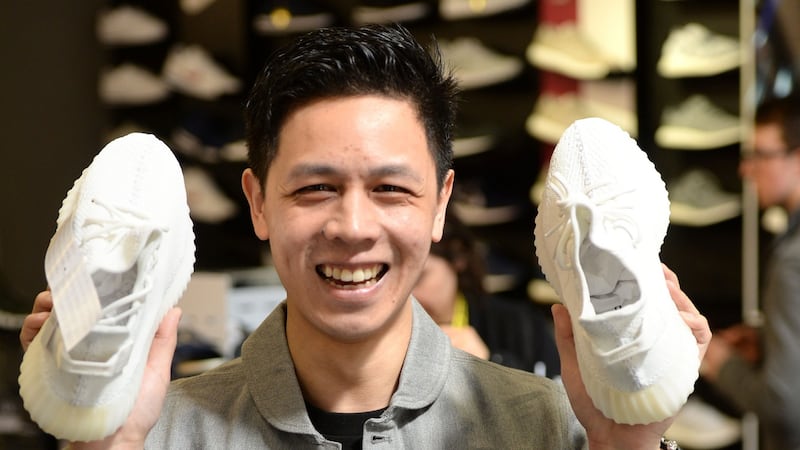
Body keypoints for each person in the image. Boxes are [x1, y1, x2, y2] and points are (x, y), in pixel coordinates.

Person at [20, 24, 710, 449]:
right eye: (315, 189)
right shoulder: (158, 433)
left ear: (441, 206)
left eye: (391, 189)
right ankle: (93, 372)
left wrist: (627, 443)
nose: (352, 228)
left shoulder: (552, 429)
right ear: (257, 204)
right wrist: (108, 445)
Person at [700, 95, 800, 450]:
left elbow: (782, 405)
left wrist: (720, 362)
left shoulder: (791, 261)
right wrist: (769, 340)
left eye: (760, 154)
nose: (746, 169)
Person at [413, 210, 561, 378]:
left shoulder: (523, 327)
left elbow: (555, 392)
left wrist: (492, 364)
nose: (407, 298)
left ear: (457, 255)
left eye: (418, 278)